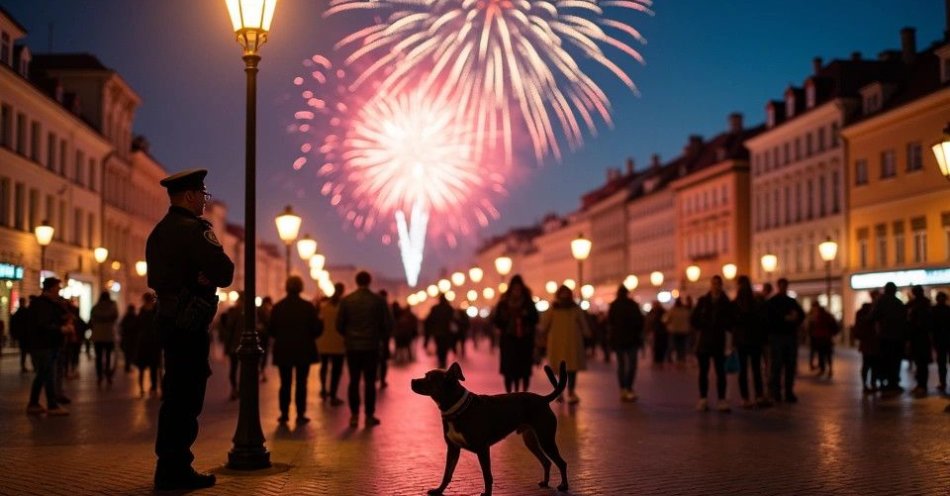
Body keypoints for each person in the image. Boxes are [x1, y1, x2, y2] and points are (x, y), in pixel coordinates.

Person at [146, 168, 234, 490]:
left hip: (168, 321)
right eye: (203, 196)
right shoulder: (195, 230)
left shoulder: (159, 232)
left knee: (174, 397)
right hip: (190, 322)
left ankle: (167, 467)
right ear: (189, 196)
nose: (204, 202)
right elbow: (224, 272)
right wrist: (204, 276)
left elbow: (155, 279)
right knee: (188, 398)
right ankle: (176, 470)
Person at [337, 271, 391, 428]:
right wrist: (378, 337)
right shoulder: (378, 301)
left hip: (353, 347)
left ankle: (354, 415)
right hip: (371, 347)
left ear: (356, 281)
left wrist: (349, 335)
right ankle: (369, 415)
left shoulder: (347, 301)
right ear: (369, 281)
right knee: (369, 382)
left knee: (353, 381)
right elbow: (387, 324)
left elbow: (339, 325)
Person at [270, 275, 322, 423]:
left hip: (283, 350)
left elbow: (272, 330)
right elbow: (316, 330)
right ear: (301, 288)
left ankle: (284, 413)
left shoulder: (278, 307)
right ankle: (300, 414)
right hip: (303, 350)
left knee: (285, 383)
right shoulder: (308, 307)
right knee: (301, 383)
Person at [25, 277, 71, 416]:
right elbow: (43, 324)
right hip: (43, 344)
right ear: (50, 288)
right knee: (47, 374)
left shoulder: (50, 303)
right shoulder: (42, 304)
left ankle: (34, 403)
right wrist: (60, 329)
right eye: (58, 287)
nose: (60, 290)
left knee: (43, 374)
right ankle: (52, 405)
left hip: (47, 343)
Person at [691, 275, 735, 412]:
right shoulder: (703, 301)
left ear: (721, 285)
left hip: (718, 341)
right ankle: (703, 398)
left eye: (718, 284)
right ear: (710, 285)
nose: (716, 286)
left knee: (720, 372)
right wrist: (704, 324)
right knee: (703, 372)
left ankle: (721, 400)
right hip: (704, 341)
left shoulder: (726, 302)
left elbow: (730, 322)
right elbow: (694, 320)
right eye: (714, 283)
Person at [541, 285, 590, 404]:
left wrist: (587, 333)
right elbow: (545, 324)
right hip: (556, 341)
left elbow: (583, 323)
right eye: (562, 293)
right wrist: (541, 335)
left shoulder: (575, 308)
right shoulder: (553, 308)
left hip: (572, 341)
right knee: (557, 368)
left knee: (572, 368)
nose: (564, 296)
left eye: (566, 293)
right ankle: (560, 392)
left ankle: (571, 391)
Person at [492, 275, 539, 393]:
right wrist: (505, 319)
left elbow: (535, 319)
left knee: (524, 370)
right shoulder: (503, 304)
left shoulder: (528, 303)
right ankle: (509, 393)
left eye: (519, 289)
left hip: (525, 340)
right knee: (509, 369)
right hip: (508, 340)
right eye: (514, 289)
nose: (517, 291)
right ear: (511, 289)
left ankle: (523, 392)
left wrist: (526, 315)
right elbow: (497, 321)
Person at [766, 278, 805, 403]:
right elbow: (769, 319)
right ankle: (778, 392)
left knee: (789, 366)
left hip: (787, 337)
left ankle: (787, 391)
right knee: (777, 366)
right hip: (779, 337)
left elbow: (801, 315)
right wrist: (787, 319)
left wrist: (794, 319)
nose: (783, 288)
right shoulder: (774, 302)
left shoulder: (790, 301)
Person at [733, 275, 768, 408]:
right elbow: (762, 321)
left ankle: (745, 398)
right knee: (756, 369)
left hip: (742, 340)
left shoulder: (737, 303)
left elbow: (733, 323)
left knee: (743, 370)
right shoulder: (756, 302)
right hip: (754, 340)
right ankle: (758, 396)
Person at [607, 284, 644, 402]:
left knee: (622, 365)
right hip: (632, 338)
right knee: (632, 364)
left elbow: (610, 323)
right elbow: (640, 321)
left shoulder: (614, 305)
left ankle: (623, 388)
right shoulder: (633, 305)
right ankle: (628, 387)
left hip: (619, 339)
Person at [872, 282, 906, 395]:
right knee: (895, 361)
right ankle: (893, 382)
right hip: (897, 337)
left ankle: (885, 382)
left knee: (885, 360)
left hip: (885, 336)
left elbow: (873, 316)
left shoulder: (881, 302)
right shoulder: (898, 303)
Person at [318, 283, 346, 405]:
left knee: (324, 367)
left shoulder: (323, 306)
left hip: (323, 341)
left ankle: (323, 389)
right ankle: (333, 395)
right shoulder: (343, 307)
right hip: (339, 342)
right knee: (336, 370)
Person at [906, 285, 933, 398]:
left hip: (919, 337)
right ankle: (921, 384)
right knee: (921, 363)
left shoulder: (917, 304)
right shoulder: (924, 303)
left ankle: (922, 385)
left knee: (921, 362)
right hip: (921, 337)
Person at [90, 291, 119, 387]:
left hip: (97, 335)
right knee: (108, 356)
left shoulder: (95, 307)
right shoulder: (113, 306)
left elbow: (92, 319)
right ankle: (108, 375)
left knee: (98, 357)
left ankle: (99, 376)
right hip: (108, 335)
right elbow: (115, 317)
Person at [853, 291, 881, 393]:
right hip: (872, 342)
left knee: (866, 364)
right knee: (873, 365)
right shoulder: (872, 312)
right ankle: (872, 384)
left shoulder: (860, 313)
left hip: (866, 342)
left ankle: (866, 385)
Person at [135, 293, 162, 397]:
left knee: (147, 366)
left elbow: (138, 324)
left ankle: (145, 387)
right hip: (151, 340)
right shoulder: (155, 310)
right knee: (153, 365)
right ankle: (153, 386)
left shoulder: (144, 310)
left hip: (146, 340)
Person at [221, 294, 245, 401]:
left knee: (233, 368)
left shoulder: (234, 311)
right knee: (244, 369)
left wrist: (226, 348)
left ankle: (234, 389)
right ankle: (240, 389)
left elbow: (229, 330)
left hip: (234, 345)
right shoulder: (250, 311)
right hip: (245, 345)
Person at [426, 294, 457, 369]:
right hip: (446, 332)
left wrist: (430, 331)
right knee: (445, 347)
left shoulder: (435, 308)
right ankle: (444, 361)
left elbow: (429, 320)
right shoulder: (449, 308)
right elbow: (453, 319)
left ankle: (441, 361)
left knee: (439, 347)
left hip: (437, 332)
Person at [664, 297, 691, 366]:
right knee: (682, 346)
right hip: (684, 330)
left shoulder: (672, 310)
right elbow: (689, 319)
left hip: (674, 330)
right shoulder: (685, 310)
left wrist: (668, 325)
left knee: (672, 345)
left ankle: (670, 358)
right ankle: (681, 358)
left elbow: (665, 319)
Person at [932, 292, 949, 393]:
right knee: (941, 363)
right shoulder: (948, 309)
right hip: (944, 339)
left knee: (941, 363)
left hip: (940, 340)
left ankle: (943, 383)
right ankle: (943, 382)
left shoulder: (934, 310)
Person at [377, 289, 393, 389]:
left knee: (375, 359)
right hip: (384, 337)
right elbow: (390, 323)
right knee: (383, 360)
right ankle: (382, 379)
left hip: (374, 337)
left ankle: (375, 376)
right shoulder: (387, 307)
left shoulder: (374, 306)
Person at [10, 298, 31, 373]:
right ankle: (28, 366)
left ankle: (23, 366)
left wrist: (14, 334)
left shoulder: (16, 313)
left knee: (23, 351)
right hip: (26, 335)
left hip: (21, 335)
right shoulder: (26, 312)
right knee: (26, 351)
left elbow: (13, 324)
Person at [257, 296, 273, 383]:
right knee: (264, 355)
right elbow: (268, 322)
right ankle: (262, 372)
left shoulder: (258, 309)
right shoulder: (265, 310)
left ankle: (260, 372)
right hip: (264, 335)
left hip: (259, 335)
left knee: (260, 356)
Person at [119, 303, 138, 373]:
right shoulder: (135, 317)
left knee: (127, 353)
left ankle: (127, 366)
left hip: (127, 338)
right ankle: (128, 366)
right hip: (132, 338)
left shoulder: (126, 317)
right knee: (130, 353)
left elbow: (122, 326)